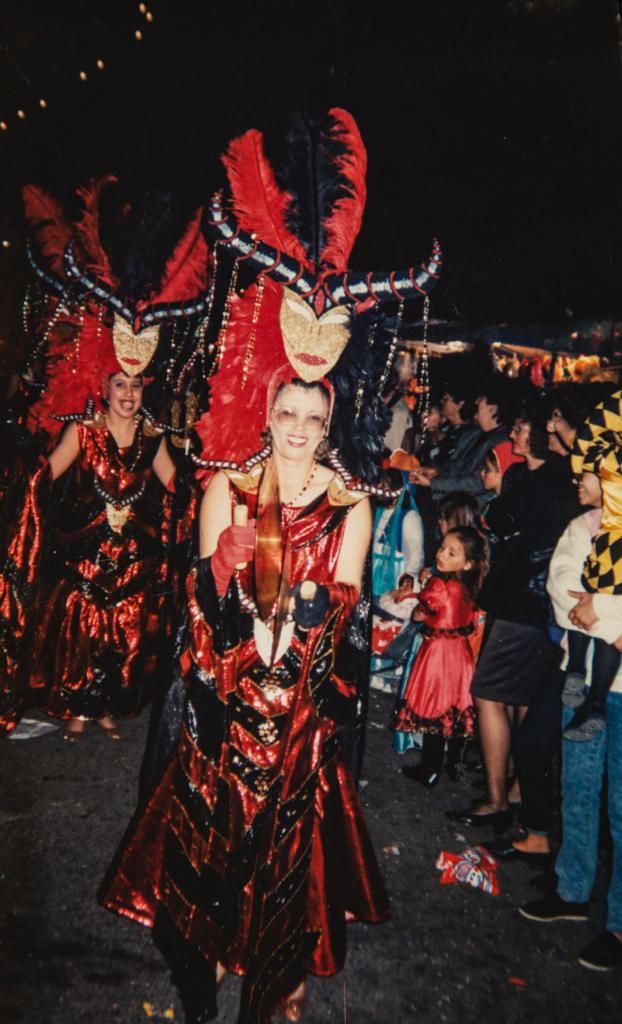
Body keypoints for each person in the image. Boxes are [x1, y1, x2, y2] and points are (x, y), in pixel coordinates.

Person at [100, 371, 390, 1024]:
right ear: (265, 412)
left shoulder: (350, 503)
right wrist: (222, 573)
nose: (297, 427)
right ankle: (216, 948)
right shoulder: (228, 489)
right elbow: (197, 606)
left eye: (312, 418)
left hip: (299, 706)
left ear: (328, 425)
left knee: (288, 842)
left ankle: (278, 967)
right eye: (287, 411)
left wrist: (307, 604)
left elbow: (347, 610)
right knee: (217, 833)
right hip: (228, 700)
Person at [0, 369, 177, 739]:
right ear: (104, 390)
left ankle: (105, 706)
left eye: (135, 385)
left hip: (132, 554)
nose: (128, 393)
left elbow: (176, 485)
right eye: (119, 385)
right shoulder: (84, 431)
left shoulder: (152, 438)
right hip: (85, 550)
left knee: (122, 629)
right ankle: (76, 708)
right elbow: (45, 475)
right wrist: (16, 479)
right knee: (83, 626)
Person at [447, 398, 580, 832]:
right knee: (520, 698)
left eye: (522, 428)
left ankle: (497, 797)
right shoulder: (529, 474)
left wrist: (505, 509)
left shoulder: (555, 480)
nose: (515, 434)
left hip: (527, 602)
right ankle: (517, 792)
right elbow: (500, 519)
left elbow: (507, 522)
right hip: (526, 601)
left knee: (489, 692)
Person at [519, 476, 622, 972]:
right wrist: (603, 615)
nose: (583, 478)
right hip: (581, 674)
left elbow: (589, 599)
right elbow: (563, 585)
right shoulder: (583, 526)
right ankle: (573, 889)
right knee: (577, 786)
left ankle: (620, 924)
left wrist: (599, 605)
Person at [393, 526, 487, 786]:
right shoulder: (468, 587)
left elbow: (418, 614)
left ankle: (430, 767)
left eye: (451, 552)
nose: (441, 554)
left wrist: (417, 598)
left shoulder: (439, 585)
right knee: (456, 708)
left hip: (437, 654)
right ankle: (455, 765)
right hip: (460, 653)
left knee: (435, 708)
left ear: (466, 563)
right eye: (442, 547)